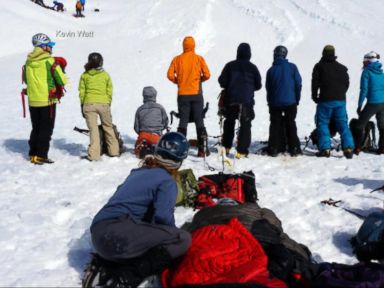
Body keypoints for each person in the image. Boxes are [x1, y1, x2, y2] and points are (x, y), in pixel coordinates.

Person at [87, 132, 192, 287]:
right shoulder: (166, 181)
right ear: (179, 161)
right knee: (181, 239)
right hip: (117, 236)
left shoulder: (138, 172)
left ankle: (104, 266)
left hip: (99, 233)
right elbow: (163, 218)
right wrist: (171, 237)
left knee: (151, 237)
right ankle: (126, 276)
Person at [23, 33, 67, 165]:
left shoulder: (28, 61)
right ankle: (41, 155)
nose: (51, 48)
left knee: (36, 127)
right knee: (46, 128)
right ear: (43, 47)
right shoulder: (49, 61)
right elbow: (62, 80)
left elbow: (26, 80)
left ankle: (33, 154)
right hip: (47, 100)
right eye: (49, 45)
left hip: (33, 100)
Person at [167, 36, 211, 157]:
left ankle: (179, 150)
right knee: (199, 121)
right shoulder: (199, 59)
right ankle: (202, 150)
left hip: (182, 95)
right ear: (194, 46)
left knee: (183, 122)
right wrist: (199, 80)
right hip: (196, 94)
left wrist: (178, 81)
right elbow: (207, 75)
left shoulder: (177, 59)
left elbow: (170, 75)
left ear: (183, 46)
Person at [218, 43, 262, 158]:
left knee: (229, 122)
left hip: (231, 99)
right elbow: (258, 85)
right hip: (246, 101)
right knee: (245, 124)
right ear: (249, 54)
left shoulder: (229, 65)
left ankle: (226, 147)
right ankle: (241, 151)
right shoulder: (253, 67)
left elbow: (221, 82)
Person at [311, 45, 354, 159]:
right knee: (342, 124)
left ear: (323, 53)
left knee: (323, 123)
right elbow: (346, 84)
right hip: (340, 100)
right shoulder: (342, 68)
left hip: (325, 100)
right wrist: (340, 94)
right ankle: (348, 148)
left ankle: (325, 149)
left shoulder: (319, 66)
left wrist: (315, 97)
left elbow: (314, 83)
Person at [78, 52, 120, 161]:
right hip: (103, 104)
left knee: (93, 130)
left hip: (89, 104)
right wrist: (108, 102)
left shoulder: (85, 75)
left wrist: (82, 104)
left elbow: (82, 92)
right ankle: (114, 151)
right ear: (101, 61)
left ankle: (94, 156)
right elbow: (109, 90)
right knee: (108, 127)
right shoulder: (105, 75)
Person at [265, 45, 302, 157]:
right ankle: (294, 147)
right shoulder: (292, 67)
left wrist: (270, 102)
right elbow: (298, 84)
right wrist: (296, 99)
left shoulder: (271, 70)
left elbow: (268, 88)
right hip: (291, 102)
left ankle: (274, 148)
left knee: (275, 124)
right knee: (291, 123)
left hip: (275, 102)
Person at [354, 51, 384, 155]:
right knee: (382, 126)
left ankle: (357, 147)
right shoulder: (381, 72)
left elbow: (364, 90)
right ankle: (382, 148)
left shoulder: (366, 72)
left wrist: (359, 105)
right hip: (382, 103)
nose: (363, 63)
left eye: (365, 61)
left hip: (372, 103)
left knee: (359, 125)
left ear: (369, 61)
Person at [134, 86, 169, 158]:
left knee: (138, 145)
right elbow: (165, 122)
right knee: (158, 144)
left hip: (143, 134)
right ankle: (154, 147)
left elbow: (136, 127)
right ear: (155, 96)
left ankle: (142, 146)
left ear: (143, 96)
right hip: (156, 135)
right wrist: (161, 128)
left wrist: (142, 132)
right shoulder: (160, 107)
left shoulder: (140, 109)